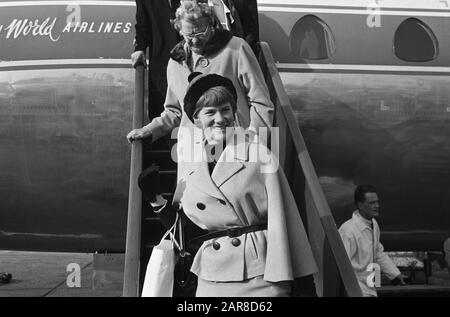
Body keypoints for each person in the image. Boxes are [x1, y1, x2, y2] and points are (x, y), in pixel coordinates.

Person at [146, 73, 317, 297]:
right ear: (196, 120)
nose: (220, 118)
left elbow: (287, 219)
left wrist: (303, 281)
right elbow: (185, 231)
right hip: (211, 276)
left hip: (260, 275)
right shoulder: (190, 165)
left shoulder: (258, 155)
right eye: (210, 112)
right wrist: (155, 199)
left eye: (225, 109)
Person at [127, 0, 274, 175]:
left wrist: (254, 140)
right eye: (189, 35)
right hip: (193, 155)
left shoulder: (236, 48)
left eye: (201, 32)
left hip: (236, 147)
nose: (195, 40)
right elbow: (174, 111)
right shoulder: (175, 62)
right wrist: (149, 130)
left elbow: (261, 102)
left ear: (211, 25)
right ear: (180, 31)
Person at [339, 184, 408, 297]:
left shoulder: (373, 224)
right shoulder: (348, 231)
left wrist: (395, 274)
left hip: (369, 289)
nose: (376, 206)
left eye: (377, 202)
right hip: (355, 291)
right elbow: (342, 267)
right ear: (360, 205)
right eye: (372, 203)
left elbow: (377, 252)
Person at [131, 0, 180, 119]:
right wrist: (139, 48)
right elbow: (143, 24)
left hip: (193, 59)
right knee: (162, 110)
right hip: (162, 60)